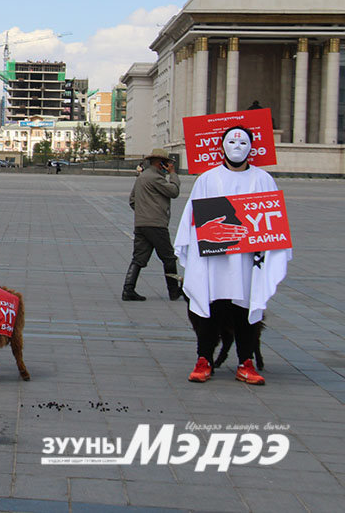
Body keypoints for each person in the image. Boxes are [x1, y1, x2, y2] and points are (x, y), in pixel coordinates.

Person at [174, 126, 291, 385]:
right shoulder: (207, 179)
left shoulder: (263, 179)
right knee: (210, 305)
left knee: (246, 306)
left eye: (243, 141)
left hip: (249, 260)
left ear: (252, 147)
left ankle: (245, 361)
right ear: (222, 146)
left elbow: (272, 220)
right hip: (214, 259)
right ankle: (204, 359)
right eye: (232, 141)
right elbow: (193, 219)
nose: (237, 146)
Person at [122, 148, 181, 302]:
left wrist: (143, 212)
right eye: (166, 162)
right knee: (168, 257)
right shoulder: (155, 178)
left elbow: (132, 200)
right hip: (156, 224)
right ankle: (174, 291)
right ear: (159, 162)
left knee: (139, 257)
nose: (168, 165)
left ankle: (128, 289)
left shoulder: (142, 177)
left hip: (141, 223)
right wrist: (173, 174)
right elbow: (174, 192)